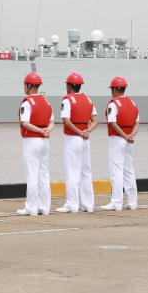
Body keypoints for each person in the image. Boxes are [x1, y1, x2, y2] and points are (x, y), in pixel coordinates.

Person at [56, 72, 98, 213]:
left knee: (72, 171)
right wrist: (86, 131)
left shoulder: (67, 100)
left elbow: (67, 121)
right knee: (86, 171)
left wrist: (79, 132)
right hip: (85, 139)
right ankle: (88, 204)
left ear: (69, 86)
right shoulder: (88, 99)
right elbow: (95, 120)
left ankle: (72, 204)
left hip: (73, 138)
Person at [99, 77, 140, 211]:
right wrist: (131, 135)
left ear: (116, 89)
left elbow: (113, 123)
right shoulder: (132, 103)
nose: (111, 91)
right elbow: (137, 123)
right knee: (129, 171)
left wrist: (124, 136)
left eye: (112, 89)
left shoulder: (113, 104)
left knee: (116, 171)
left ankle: (116, 202)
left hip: (118, 139)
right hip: (129, 141)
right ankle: (132, 202)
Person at [17, 72, 52, 216]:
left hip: (32, 140)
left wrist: (39, 130)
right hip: (45, 141)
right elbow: (51, 122)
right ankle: (44, 207)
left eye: (25, 85)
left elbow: (25, 123)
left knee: (32, 174)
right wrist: (46, 130)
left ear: (29, 85)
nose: (24, 87)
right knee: (43, 174)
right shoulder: (46, 101)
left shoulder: (27, 103)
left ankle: (31, 207)